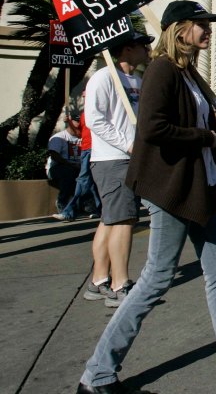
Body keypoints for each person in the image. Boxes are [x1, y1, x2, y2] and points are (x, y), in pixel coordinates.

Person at [77, 1, 216, 392]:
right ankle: (97, 374)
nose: (208, 30)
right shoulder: (160, 70)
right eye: (202, 24)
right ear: (180, 29)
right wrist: (209, 136)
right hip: (171, 189)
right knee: (156, 279)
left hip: (198, 186)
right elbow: (154, 129)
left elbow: (196, 130)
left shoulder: (188, 73)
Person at [81, 32, 153, 308]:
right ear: (127, 48)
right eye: (143, 45)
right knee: (123, 220)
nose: (148, 49)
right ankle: (120, 284)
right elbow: (94, 119)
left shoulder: (137, 80)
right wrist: (127, 144)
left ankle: (99, 280)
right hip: (112, 159)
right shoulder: (103, 77)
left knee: (110, 220)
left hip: (130, 159)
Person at [54, 105, 101, 221]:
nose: (85, 98)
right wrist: (69, 122)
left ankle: (68, 212)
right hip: (86, 150)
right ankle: (100, 210)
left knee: (83, 180)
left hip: (94, 149)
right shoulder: (84, 114)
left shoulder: (98, 111)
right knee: (89, 182)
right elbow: (79, 133)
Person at [47, 116, 81, 213]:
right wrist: (71, 165)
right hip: (58, 167)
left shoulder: (84, 137)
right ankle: (62, 201)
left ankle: (89, 204)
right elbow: (54, 155)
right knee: (68, 172)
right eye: (77, 121)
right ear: (70, 122)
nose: (79, 123)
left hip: (79, 167)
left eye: (81, 121)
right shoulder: (58, 137)